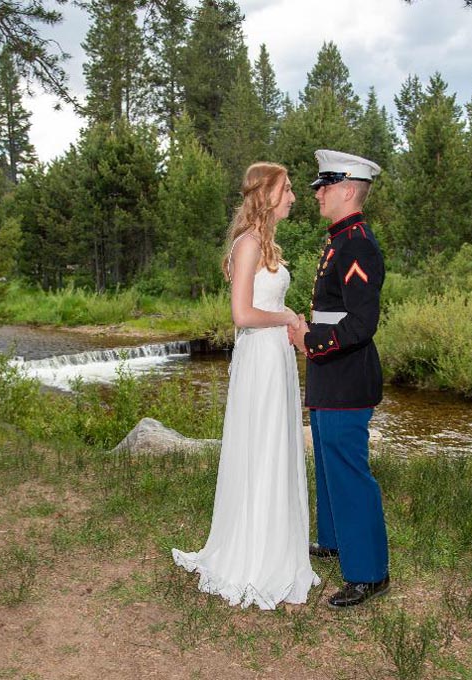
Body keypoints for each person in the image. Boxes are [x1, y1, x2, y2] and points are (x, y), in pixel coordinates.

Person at [172, 162, 320, 609]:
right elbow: (242, 314)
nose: (294, 196)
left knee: (276, 446)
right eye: (287, 188)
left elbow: (264, 300)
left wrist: (291, 323)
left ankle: (277, 546)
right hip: (259, 358)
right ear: (267, 194)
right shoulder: (249, 243)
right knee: (261, 448)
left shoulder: (266, 243)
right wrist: (288, 318)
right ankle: (254, 556)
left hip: (274, 356)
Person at [290, 149, 390, 609]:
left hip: (346, 374)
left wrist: (309, 340)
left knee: (349, 471)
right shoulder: (339, 240)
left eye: (325, 186)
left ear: (348, 190)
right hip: (331, 371)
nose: (318, 193)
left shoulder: (357, 244)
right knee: (329, 463)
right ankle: (333, 541)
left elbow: (361, 323)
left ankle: (369, 572)